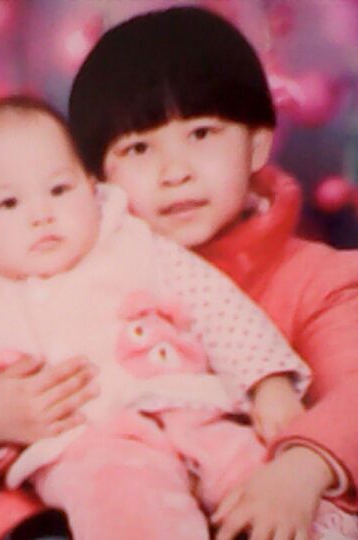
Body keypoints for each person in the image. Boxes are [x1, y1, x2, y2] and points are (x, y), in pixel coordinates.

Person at [0, 95, 313, 540]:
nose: (42, 215)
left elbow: (217, 304)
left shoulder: (133, 246)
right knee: (121, 500)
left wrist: (267, 381)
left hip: (189, 408)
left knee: (256, 471)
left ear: (91, 190)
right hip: (87, 445)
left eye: (59, 189)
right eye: (9, 204)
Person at [67, 6, 358, 539]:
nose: (175, 172)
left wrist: (303, 468)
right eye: (138, 147)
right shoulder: (75, 282)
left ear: (257, 144)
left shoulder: (321, 281)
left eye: (201, 134)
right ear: (96, 179)